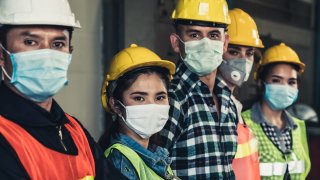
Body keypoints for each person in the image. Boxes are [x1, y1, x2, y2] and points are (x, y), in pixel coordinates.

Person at [0, 0, 109, 179]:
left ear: (69, 53)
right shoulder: (5, 134)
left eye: (57, 44)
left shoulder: (74, 130)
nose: (46, 55)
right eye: (30, 42)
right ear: (2, 54)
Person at [160, 0, 239, 179]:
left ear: (225, 43)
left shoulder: (227, 100)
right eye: (195, 35)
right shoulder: (171, 98)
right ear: (175, 42)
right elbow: (152, 169)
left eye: (213, 35)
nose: (205, 44)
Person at [99, 44, 179, 180]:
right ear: (115, 105)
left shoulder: (156, 156)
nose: (152, 106)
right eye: (139, 98)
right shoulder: (120, 161)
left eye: (160, 97)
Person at [242, 43, 311, 179]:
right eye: (276, 80)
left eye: (291, 82)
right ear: (261, 83)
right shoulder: (244, 124)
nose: (284, 87)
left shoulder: (298, 127)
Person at [218, 8, 264, 180]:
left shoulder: (235, 103)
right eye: (234, 51)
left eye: (249, 53)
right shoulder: (213, 102)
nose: (243, 60)